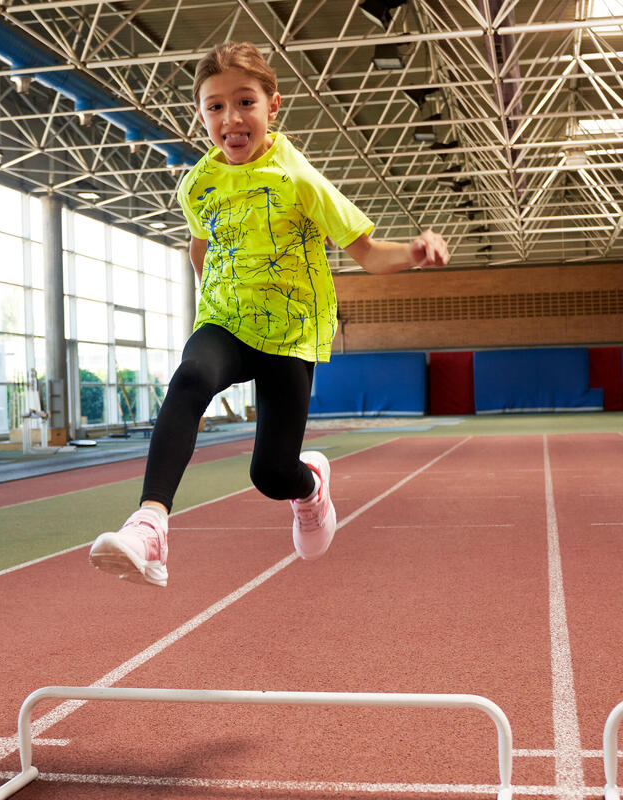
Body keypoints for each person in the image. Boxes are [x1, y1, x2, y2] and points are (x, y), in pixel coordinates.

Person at [90, 41, 449, 587]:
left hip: (289, 331)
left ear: (272, 106)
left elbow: (369, 253)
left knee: (270, 473)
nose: (231, 119)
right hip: (227, 321)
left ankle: (310, 488)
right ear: (200, 114)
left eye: (244, 103)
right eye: (215, 107)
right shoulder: (198, 184)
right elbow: (198, 244)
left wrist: (415, 253)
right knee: (191, 377)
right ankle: (151, 525)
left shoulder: (300, 180)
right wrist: (210, 295)